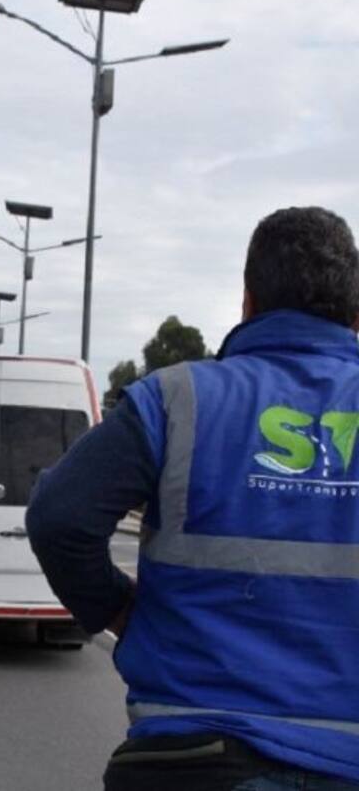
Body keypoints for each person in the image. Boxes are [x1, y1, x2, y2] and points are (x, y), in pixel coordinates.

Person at [26, 206, 359, 790]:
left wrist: (120, 613)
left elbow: (59, 515)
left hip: (192, 758)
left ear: (248, 301)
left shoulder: (177, 399)